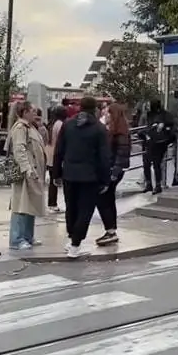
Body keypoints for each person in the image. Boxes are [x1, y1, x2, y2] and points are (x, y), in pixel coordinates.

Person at [53, 96, 111, 258]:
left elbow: (59, 150)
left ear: (80, 107)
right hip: (90, 176)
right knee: (85, 211)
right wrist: (105, 179)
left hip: (69, 174)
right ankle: (75, 244)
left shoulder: (68, 124)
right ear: (95, 109)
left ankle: (72, 237)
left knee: (71, 208)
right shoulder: (99, 129)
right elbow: (104, 157)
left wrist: (56, 173)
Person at [6, 101, 47, 250]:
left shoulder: (30, 127)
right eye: (32, 111)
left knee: (31, 205)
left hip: (34, 173)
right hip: (26, 174)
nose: (35, 114)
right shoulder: (20, 128)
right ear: (24, 112)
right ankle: (17, 239)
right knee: (21, 206)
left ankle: (28, 236)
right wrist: (27, 169)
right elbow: (19, 150)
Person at [94, 102, 131, 246]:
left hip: (112, 171)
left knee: (103, 199)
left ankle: (110, 231)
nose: (105, 114)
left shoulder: (120, 133)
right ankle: (111, 230)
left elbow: (122, 154)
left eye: (108, 112)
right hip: (111, 170)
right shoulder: (113, 130)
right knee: (108, 199)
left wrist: (113, 174)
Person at [140, 99, 176, 194]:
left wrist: (163, 127)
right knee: (146, 163)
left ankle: (158, 185)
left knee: (156, 164)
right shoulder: (148, 115)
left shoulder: (165, 115)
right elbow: (144, 127)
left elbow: (171, 127)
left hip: (159, 142)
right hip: (149, 141)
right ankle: (149, 184)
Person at [44, 106, 67, 214]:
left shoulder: (51, 124)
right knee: (56, 180)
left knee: (52, 182)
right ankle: (52, 204)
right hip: (56, 155)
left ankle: (52, 203)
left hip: (49, 155)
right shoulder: (60, 124)